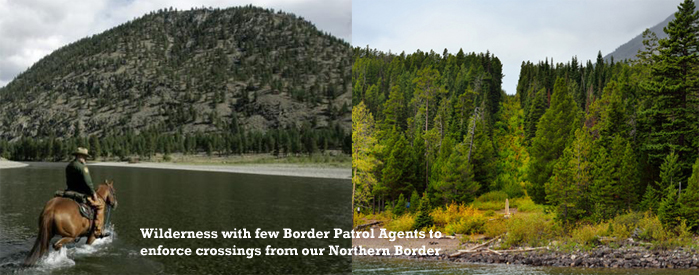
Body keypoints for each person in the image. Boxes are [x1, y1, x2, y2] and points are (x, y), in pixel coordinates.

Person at [65, 147, 108, 238]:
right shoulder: (82, 167)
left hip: (69, 191)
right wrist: (93, 193)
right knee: (100, 205)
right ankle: (98, 230)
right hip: (80, 193)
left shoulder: (69, 166)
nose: (85, 159)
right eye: (85, 157)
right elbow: (88, 182)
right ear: (80, 156)